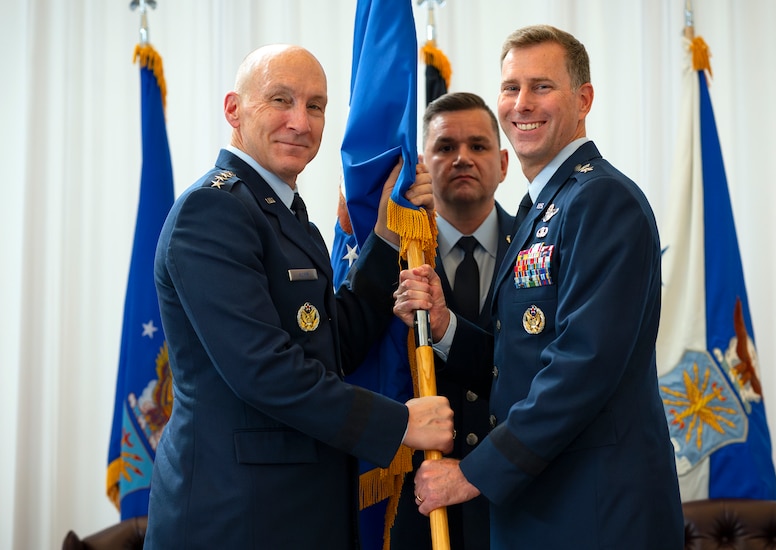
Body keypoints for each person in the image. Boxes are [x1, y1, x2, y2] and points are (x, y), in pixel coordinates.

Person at [145, 44, 454, 549]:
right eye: (280, 100)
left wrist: (386, 240)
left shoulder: (284, 213)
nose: (300, 122)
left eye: (315, 106)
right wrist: (400, 422)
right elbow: (264, 370)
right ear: (234, 109)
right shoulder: (213, 211)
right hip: (236, 517)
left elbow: (332, 344)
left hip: (295, 512)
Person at [394, 25, 684, 548]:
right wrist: (444, 325)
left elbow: (581, 366)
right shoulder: (540, 209)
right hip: (544, 506)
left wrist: (473, 472)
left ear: (583, 99)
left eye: (541, 87)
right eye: (510, 88)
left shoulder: (600, 201)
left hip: (593, 512)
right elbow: (520, 356)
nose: (521, 104)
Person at [390, 92, 513, 550]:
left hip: (514, 504)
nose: (462, 157)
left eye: (478, 146)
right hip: (418, 510)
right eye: (445, 148)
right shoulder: (392, 253)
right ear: (422, 164)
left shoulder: (541, 245)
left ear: (503, 162)